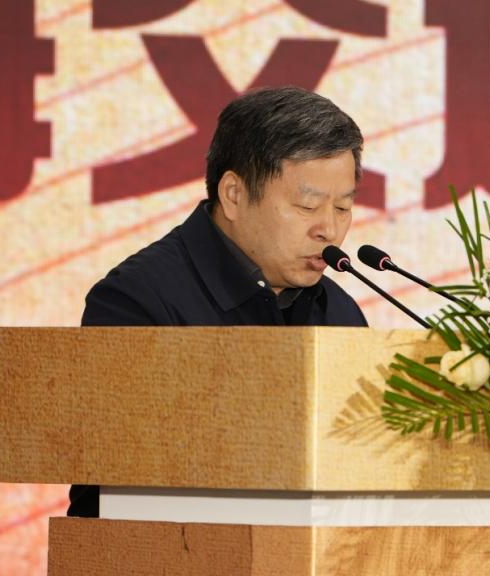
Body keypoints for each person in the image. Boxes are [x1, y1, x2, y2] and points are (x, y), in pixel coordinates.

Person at [67, 86, 369, 517]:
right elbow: (107, 498)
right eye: (308, 206)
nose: (329, 230)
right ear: (233, 195)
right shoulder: (136, 302)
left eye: (342, 208)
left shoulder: (340, 312)